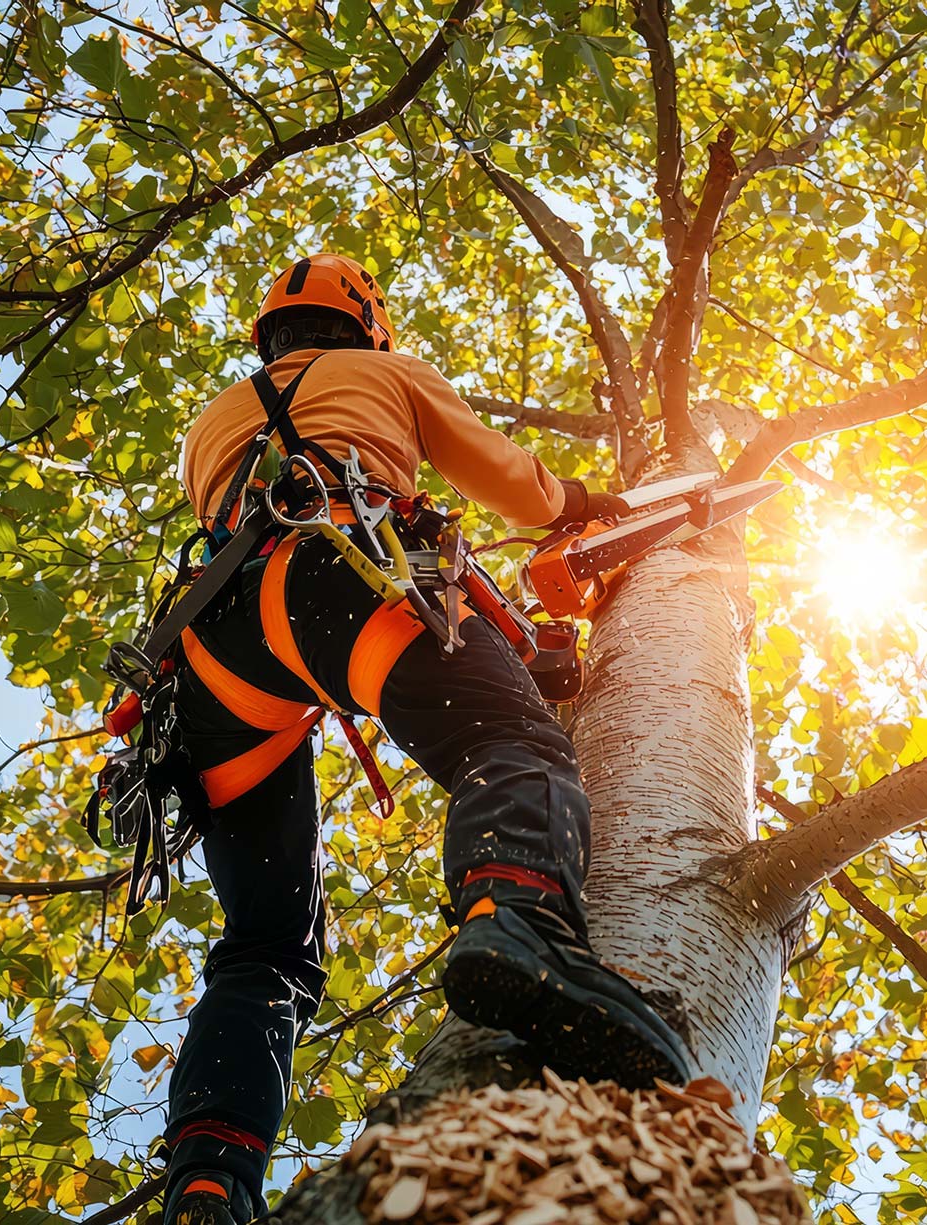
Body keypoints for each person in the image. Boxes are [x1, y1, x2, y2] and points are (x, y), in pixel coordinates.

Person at [162, 254, 691, 1225]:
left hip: (210, 648)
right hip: (338, 575)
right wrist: (576, 504)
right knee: (511, 745)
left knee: (263, 949)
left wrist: (517, 643)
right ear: (365, 324)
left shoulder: (214, 420)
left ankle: (208, 1175)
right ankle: (519, 926)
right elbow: (500, 478)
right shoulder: (385, 374)